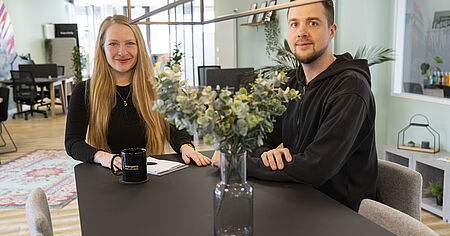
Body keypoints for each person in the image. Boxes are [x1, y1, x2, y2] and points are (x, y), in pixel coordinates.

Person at [214, 0, 377, 211]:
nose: (301, 32)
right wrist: (266, 153)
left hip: (341, 214)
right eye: (294, 24)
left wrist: (240, 162)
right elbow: (259, 136)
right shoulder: (291, 82)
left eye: (313, 23)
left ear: (331, 30)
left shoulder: (350, 88)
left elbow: (316, 168)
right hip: (299, 200)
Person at [65, 15, 210, 171]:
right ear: (102, 48)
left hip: (151, 173)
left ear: (139, 47)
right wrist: (102, 157)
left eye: (130, 43)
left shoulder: (158, 88)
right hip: (107, 173)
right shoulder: (84, 91)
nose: (122, 52)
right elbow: (73, 142)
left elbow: (176, 130)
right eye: (113, 43)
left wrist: (186, 147)